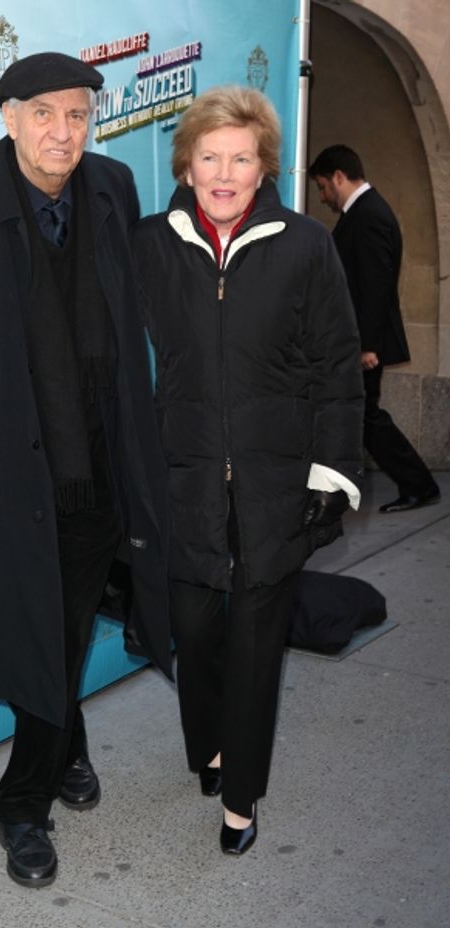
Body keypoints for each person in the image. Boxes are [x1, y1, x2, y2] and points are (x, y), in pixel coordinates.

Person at [0, 52, 172, 888]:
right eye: (45, 114)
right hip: (6, 470)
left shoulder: (114, 187)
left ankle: (52, 761)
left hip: (98, 461)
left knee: (66, 618)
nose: (64, 132)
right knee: (41, 627)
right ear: (10, 116)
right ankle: (26, 804)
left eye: (79, 115)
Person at [134, 86, 364, 855]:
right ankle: (210, 747)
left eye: (240, 157)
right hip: (185, 479)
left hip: (275, 485)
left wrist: (329, 476)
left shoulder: (306, 246)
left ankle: (241, 798)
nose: (223, 173)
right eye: (209, 157)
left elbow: (337, 367)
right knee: (194, 634)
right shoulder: (151, 244)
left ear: (265, 166)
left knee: (258, 643)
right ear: (187, 164)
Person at [308, 144, 440, 513]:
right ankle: (414, 483)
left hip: (363, 343)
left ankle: (419, 484)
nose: (323, 197)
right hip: (357, 339)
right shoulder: (365, 213)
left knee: (367, 416)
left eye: (322, 187)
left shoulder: (369, 215)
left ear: (338, 177)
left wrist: (367, 345)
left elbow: (375, 285)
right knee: (364, 415)